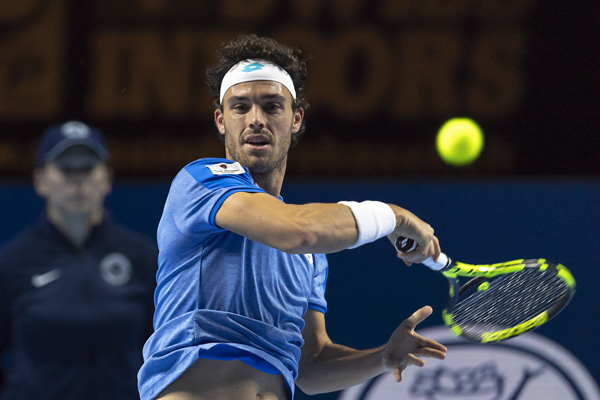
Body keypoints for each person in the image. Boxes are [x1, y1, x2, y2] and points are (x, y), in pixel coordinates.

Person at [138, 34, 447, 400]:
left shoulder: (310, 258)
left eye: (271, 106)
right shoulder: (202, 181)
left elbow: (311, 367)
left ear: (296, 118)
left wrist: (381, 358)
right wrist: (393, 216)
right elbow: (299, 230)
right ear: (221, 120)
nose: (256, 120)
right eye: (240, 107)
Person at [0, 121, 159, 400]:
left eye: (87, 168)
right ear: (40, 180)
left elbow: (168, 349)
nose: (77, 180)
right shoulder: (12, 263)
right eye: (66, 169)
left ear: (107, 178)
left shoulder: (143, 258)